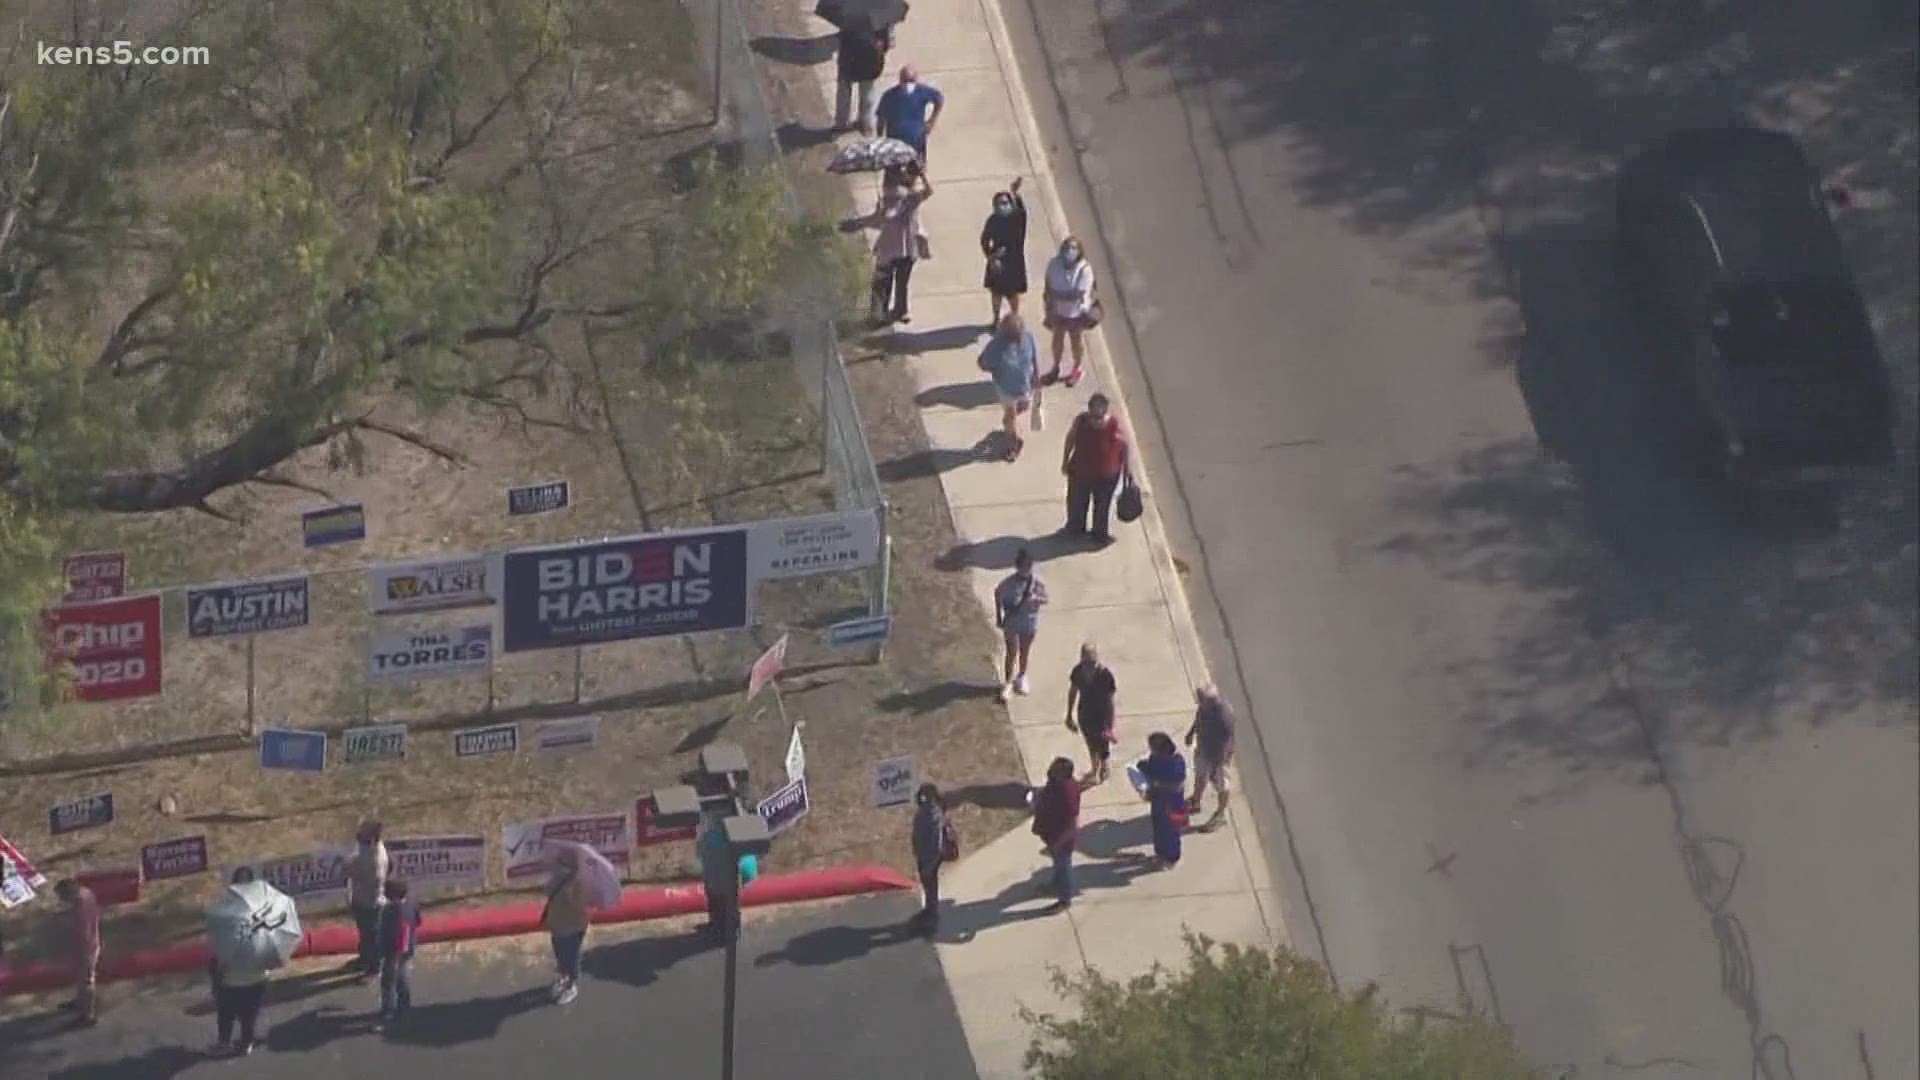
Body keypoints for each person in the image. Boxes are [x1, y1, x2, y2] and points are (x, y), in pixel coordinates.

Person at [864, 162, 932, 325]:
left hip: (904, 244)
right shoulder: (898, 196)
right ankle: (883, 311)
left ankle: (891, 310)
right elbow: (880, 219)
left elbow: (928, 191)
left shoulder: (911, 196)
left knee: (892, 280)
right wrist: (880, 211)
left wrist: (922, 175)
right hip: (894, 244)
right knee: (888, 280)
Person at [209, 867, 268, 1056]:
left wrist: (219, 967)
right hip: (257, 974)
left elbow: (223, 944)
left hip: (232, 976)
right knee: (249, 1014)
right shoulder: (265, 909)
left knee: (226, 1012)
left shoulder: (226, 913)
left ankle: (225, 1042)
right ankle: (246, 1043)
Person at [1060, 392, 1131, 544]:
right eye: (1093, 416)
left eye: (1099, 417)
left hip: (1107, 475)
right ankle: (1075, 529)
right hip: (1080, 472)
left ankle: (1099, 535)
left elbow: (1124, 446)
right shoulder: (1080, 421)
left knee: (1102, 507)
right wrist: (1065, 461)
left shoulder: (1114, 425)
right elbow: (1070, 439)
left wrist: (1127, 471)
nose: (1096, 421)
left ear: (1105, 412)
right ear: (1089, 410)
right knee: (1076, 504)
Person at [978, 312, 1040, 461]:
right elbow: (983, 363)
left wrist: (1037, 376)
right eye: (1015, 335)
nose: (1019, 338)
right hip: (1009, 388)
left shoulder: (1027, 337)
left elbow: (1034, 357)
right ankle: (1013, 443)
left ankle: (1010, 433)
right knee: (1010, 416)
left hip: (1023, 385)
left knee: (1018, 411)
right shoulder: (998, 345)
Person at [993, 548, 1048, 702]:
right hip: (1012, 622)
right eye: (1023, 566)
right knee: (1012, 652)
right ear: (1017, 567)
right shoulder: (1008, 583)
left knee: (1024, 651)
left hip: (1029, 622)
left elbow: (1046, 599)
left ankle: (1022, 676)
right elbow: (997, 594)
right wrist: (998, 616)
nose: (1026, 569)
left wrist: (1036, 598)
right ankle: (1008, 682)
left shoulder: (1036, 583)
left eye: (1028, 566)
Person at [1042, 237, 1096, 387]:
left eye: (1073, 248)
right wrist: (1048, 304)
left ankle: (1077, 369)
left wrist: (1056, 295)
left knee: (1076, 342)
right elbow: (1048, 284)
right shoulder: (1054, 264)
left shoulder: (1085, 270)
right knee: (1057, 341)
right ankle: (1055, 367)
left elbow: (1076, 294)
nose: (1069, 251)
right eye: (1067, 247)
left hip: (1076, 313)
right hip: (1058, 312)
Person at [1030, 758, 1081, 911]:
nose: (1051, 769)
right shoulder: (1055, 782)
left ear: (1064, 774)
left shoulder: (1068, 791)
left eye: (1056, 769)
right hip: (1051, 833)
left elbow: (1073, 824)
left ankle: (1064, 900)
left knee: (1063, 865)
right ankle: (1055, 884)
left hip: (1061, 838)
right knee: (1058, 864)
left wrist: (1059, 843)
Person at [542, 846, 589, 1005]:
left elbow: (580, 906)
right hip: (557, 925)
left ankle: (572, 984)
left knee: (572, 956)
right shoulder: (557, 879)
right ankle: (564, 977)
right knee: (560, 954)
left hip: (573, 927)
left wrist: (571, 894)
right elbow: (547, 892)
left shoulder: (579, 883)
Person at [1064, 643, 1118, 784]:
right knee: (1091, 744)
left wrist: (1110, 727)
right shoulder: (1078, 672)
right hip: (1085, 713)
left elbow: (1110, 702)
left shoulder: (1105, 675)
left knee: (1103, 744)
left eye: (1092, 662)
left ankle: (1104, 766)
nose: (1089, 666)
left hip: (1101, 715)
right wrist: (1069, 715)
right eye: (1086, 662)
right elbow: (1073, 692)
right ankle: (1094, 770)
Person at [1185, 686, 1237, 830]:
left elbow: (1224, 744)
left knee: (1222, 785)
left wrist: (1217, 764)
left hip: (1218, 757)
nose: (1199, 703)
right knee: (1200, 775)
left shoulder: (1224, 716)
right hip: (1203, 749)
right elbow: (1198, 719)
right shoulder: (1205, 707)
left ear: (1212, 701)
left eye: (1201, 701)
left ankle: (1220, 815)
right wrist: (1191, 733)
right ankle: (1195, 801)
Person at [374, 877, 422, 1031]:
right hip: (408, 949)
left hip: (393, 952)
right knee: (402, 979)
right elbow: (418, 921)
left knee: (388, 982)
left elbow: (385, 933)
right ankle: (404, 1007)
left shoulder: (389, 911)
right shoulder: (412, 902)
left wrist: (381, 951)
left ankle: (388, 1012)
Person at [980, 178, 1029, 325]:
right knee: (996, 292)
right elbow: (984, 240)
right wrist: (991, 257)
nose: (1003, 206)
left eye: (1005, 203)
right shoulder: (993, 220)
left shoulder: (1016, 219)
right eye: (999, 203)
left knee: (1012, 294)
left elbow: (1022, 211)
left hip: (1014, 260)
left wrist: (1015, 193)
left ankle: (1014, 318)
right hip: (998, 260)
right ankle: (996, 319)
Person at [54, 878, 100, 1027]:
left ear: (70, 893)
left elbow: (83, 931)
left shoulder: (79, 908)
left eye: (62, 896)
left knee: (86, 981)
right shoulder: (86, 893)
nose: (61, 900)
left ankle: (88, 1015)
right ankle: (80, 1002)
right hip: (88, 944)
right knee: (81, 978)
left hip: (85, 948)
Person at [345, 821, 388, 979]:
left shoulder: (369, 862)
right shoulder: (376, 850)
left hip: (367, 903)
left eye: (361, 839)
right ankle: (364, 959)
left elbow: (347, 870)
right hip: (368, 900)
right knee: (366, 935)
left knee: (371, 936)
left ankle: (374, 968)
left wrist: (349, 862)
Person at [874, 64, 944, 160]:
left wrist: (932, 121)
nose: (908, 84)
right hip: (896, 138)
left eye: (911, 80)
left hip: (915, 137)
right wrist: (880, 138)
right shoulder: (889, 95)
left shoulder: (922, 91)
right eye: (905, 80)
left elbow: (939, 99)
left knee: (914, 164)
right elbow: (881, 118)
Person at [1139, 732, 1188, 868]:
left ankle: (1172, 858)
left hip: (1172, 803)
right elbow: (1149, 768)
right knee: (1158, 828)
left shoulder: (1176, 763)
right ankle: (1160, 854)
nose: (1151, 750)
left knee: (1171, 832)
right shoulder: (1156, 758)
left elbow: (1176, 784)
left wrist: (1156, 782)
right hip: (1158, 800)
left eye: (1153, 747)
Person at [908, 783, 953, 932]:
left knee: (931, 883)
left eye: (926, 796)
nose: (924, 799)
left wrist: (932, 862)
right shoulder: (922, 813)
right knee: (927, 883)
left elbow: (937, 841)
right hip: (922, 854)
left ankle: (932, 915)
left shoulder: (934, 815)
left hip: (931, 855)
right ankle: (928, 910)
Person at [834, 24, 890, 133]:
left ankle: (841, 123)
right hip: (870, 61)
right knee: (867, 94)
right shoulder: (879, 17)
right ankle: (864, 122)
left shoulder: (848, 15)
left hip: (848, 59)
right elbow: (885, 43)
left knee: (844, 92)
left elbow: (842, 38)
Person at [698, 817, 745, 944]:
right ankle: (717, 923)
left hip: (724, 838)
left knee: (726, 887)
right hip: (709, 837)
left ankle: (731, 927)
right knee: (712, 886)